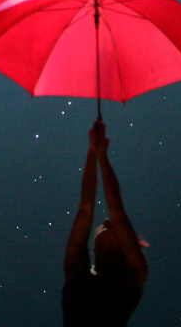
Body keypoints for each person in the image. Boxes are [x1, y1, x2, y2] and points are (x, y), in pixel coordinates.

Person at [63, 121, 147, 327]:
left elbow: (115, 214)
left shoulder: (134, 275)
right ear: (94, 248)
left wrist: (99, 155)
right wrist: (94, 153)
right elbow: (90, 210)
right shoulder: (79, 273)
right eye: (106, 225)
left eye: (107, 225)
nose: (107, 221)